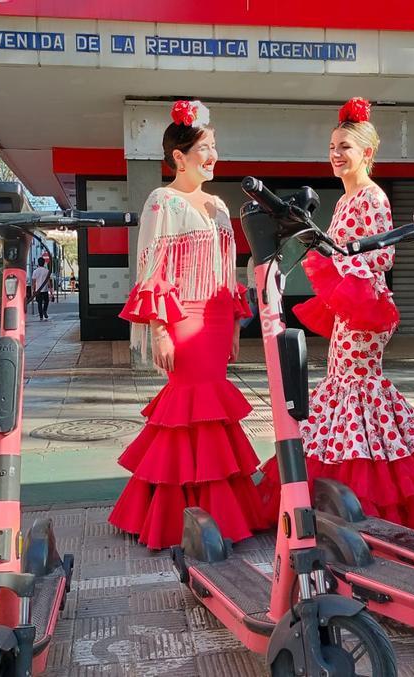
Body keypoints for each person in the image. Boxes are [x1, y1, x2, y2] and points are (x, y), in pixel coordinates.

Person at [258, 98, 414, 532]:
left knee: (356, 390)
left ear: (367, 152)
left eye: (345, 147)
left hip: (364, 308)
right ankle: (346, 486)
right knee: (348, 389)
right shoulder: (346, 199)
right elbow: (340, 252)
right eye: (332, 146)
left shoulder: (371, 196)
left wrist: (337, 263)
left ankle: (370, 497)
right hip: (350, 307)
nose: (336, 154)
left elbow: (381, 255)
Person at [108, 99, 266, 549]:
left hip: (216, 318)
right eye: (204, 147)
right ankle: (176, 517)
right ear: (179, 156)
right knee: (186, 411)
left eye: (215, 146)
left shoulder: (218, 206)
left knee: (212, 415)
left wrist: (235, 325)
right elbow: (152, 268)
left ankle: (221, 514)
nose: (213, 155)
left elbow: (227, 268)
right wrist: (159, 328)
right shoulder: (162, 201)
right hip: (180, 316)